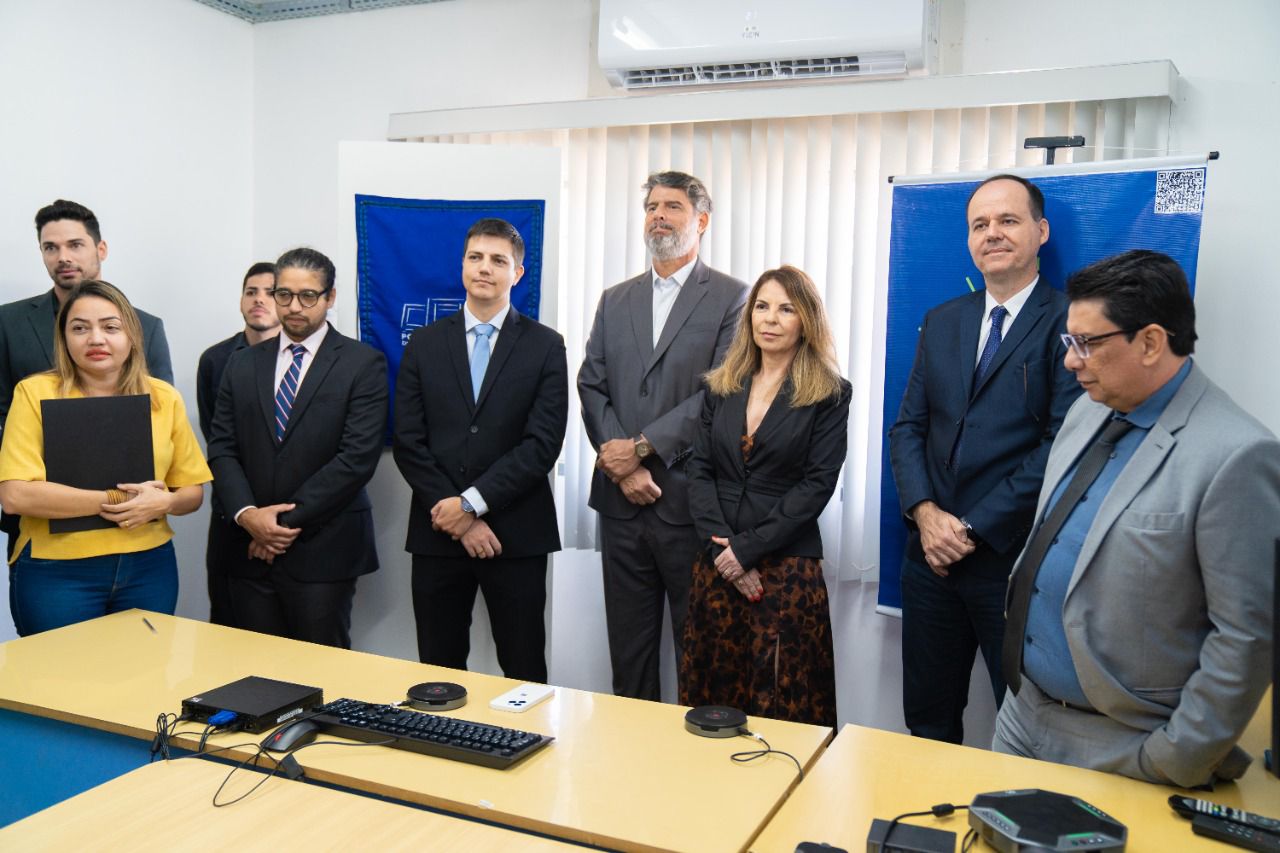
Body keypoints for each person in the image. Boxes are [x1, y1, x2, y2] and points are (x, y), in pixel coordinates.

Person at [994, 249, 1279, 787]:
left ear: (1150, 342)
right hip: (1023, 715)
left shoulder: (1236, 455)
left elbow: (1245, 636)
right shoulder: (1088, 410)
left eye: (1087, 343)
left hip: (1125, 746)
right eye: (1068, 342)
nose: (1071, 361)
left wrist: (1176, 757)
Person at [888, 174, 1080, 743]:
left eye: (1007, 221)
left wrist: (969, 528)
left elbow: (1063, 446)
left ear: (1040, 232)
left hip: (1012, 562)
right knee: (927, 719)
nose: (992, 233)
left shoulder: (1071, 321)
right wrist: (926, 515)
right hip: (930, 560)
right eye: (980, 224)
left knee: (1023, 723)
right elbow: (909, 427)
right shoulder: (944, 319)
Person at [578, 170, 749, 700]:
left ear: (700, 220)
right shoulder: (615, 298)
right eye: (652, 206)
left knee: (698, 651)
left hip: (687, 502)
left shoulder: (733, 297)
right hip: (621, 505)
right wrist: (620, 463)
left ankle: (693, 774)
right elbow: (591, 384)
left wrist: (643, 450)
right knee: (628, 655)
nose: (658, 215)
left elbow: (720, 392)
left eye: (672, 206)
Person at [393, 218, 568, 682]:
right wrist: (456, 515)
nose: (484, 268)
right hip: (437, 532)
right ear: (462, 265)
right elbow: (409, 442)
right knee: (438, 669)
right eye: (475, 257)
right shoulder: (424, 345)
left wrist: (471, 504)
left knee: (524, 666)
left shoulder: (546, 346)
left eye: (498, 260)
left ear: (518, 273)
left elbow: (542, 444)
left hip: (516, 533)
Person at [681, 266, 850, 727]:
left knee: (781, 701)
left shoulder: (830, 394)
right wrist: (725, 550)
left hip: (786, 570)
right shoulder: (720, 385)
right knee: (713, 697)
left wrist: (747, 550)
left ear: (806, 321)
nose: (769, 319)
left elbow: (817, 485)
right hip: (717, 564)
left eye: (785, 308)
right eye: (761, 306)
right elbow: (700, 469)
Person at [0, 280, 210, 636]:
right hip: (58, 570)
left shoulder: (163, 397)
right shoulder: (34, 393)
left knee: (143, 681)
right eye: (79, 328)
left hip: (149, 567)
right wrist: (118, 500)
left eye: (110, 327)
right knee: (59, 687)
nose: (96, 339)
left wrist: (165, 501)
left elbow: (192, 493)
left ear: (132, 335)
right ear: (64, 338)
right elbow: (16, 495)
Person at [206, 247, 387, 648]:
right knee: (255, 675)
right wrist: (249, 516)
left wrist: (278, 528)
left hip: (323, 549)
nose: (293, 307)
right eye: (283, 294)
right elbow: (222, 447)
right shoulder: (243, 363)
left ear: (330, 298)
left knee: (324, 675)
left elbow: (356, 459)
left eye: (308, 296)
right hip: (248, 549)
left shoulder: (363, 363)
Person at [0, 199, 174, 558]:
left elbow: (156, 415)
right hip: (42, 511)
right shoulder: (9, 322)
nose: (63, 256)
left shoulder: (146, 326)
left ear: (100, 249)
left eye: (74, 245)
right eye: (51, 247)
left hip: (130, 515)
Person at [195, 262, 279, 626]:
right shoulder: (215, 360)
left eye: (270, 292)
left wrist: (270, 522)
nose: (259, 300)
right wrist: (249, 516)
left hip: (288, 522)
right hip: (233, 515)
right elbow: (218, 443)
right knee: (229, 629)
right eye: (251, 291)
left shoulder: (305, 361)